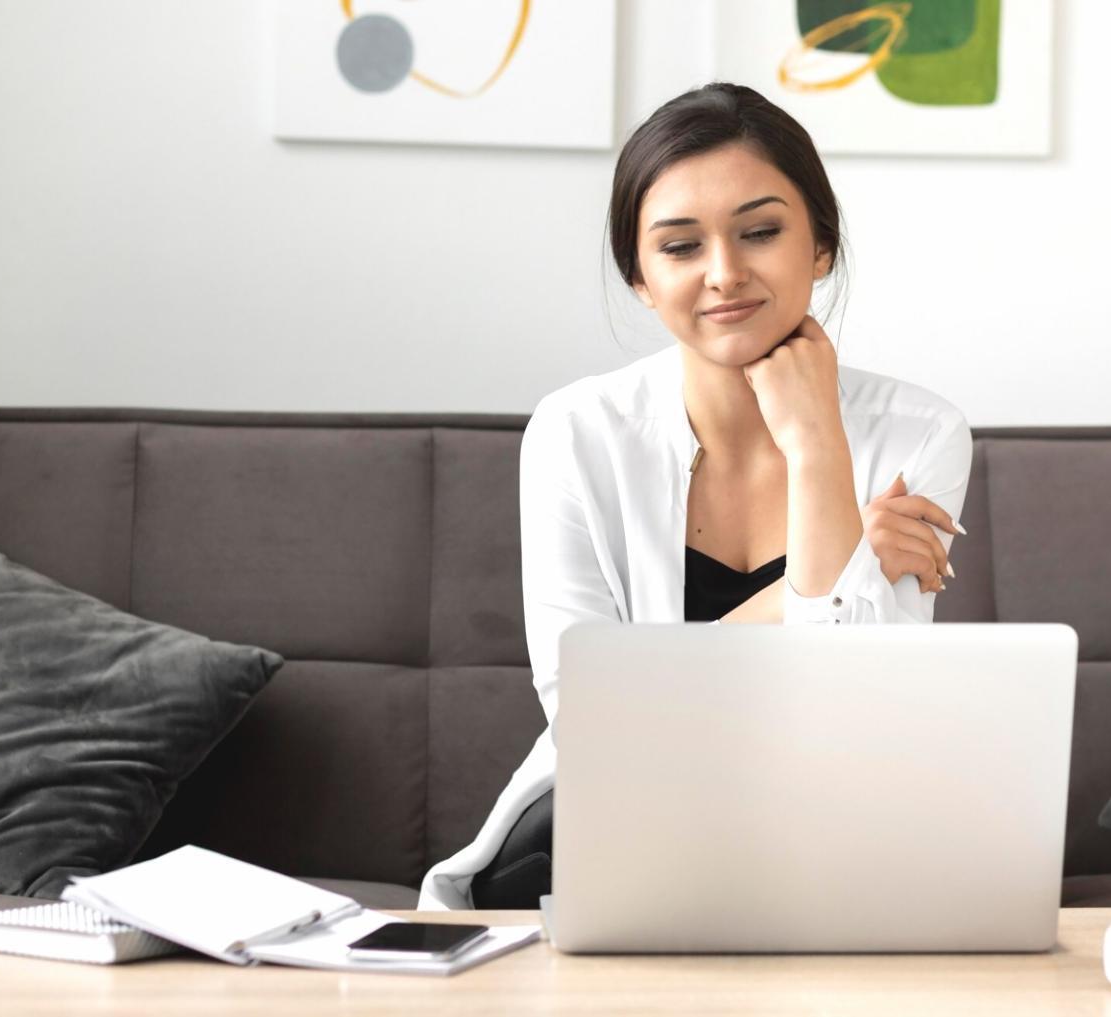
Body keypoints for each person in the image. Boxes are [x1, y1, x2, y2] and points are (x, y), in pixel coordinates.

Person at [417, 81, 972, 910]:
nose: (724, 274)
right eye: (679, 247)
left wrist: (816, 440)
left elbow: (860, 709)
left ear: (819, 246)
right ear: (640, 276)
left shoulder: (917, 432)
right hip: (620, 813)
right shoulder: (576, 431)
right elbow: (599, 713)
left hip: (830, 811)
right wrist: (813, 580)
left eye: (759, 232)